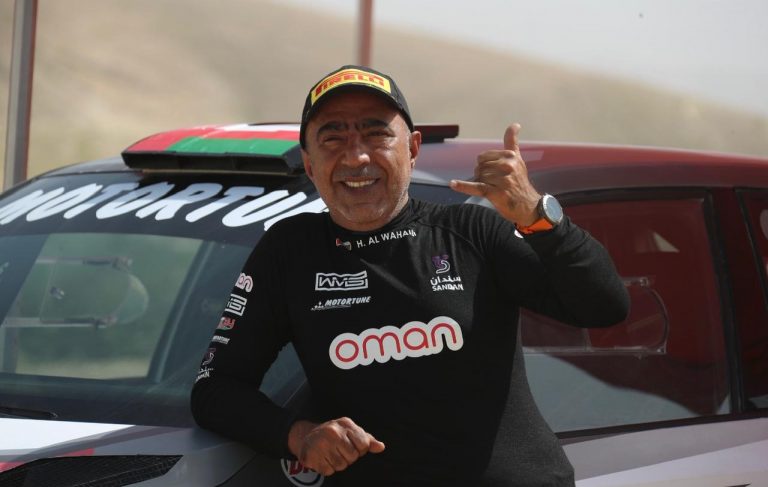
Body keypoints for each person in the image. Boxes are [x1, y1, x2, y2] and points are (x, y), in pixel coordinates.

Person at [191, 65, 629, 486]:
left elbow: (604, 306)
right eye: (333, 138)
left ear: (413, 148)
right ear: (309, 163)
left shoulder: (471, 231)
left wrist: (538, 217)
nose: (356, 156)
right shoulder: (290, 251)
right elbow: (215, 389)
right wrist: (298, 436)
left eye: (376, 134)